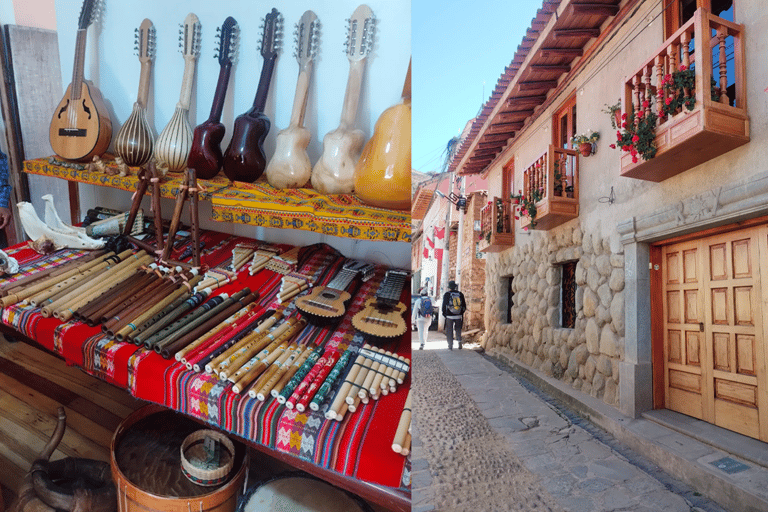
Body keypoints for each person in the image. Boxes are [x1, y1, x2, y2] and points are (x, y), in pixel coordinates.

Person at [442, 280, 466, 350]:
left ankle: (450, 345)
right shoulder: (460, 294)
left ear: (449, 287)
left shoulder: (447, 294)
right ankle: (459, 342)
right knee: (458, 329)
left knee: (449, 330)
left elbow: (444, 305)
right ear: (455, 287)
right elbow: (464, 305)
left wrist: (444, 313)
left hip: (449, 315)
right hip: (458, 315)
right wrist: (461, 312)